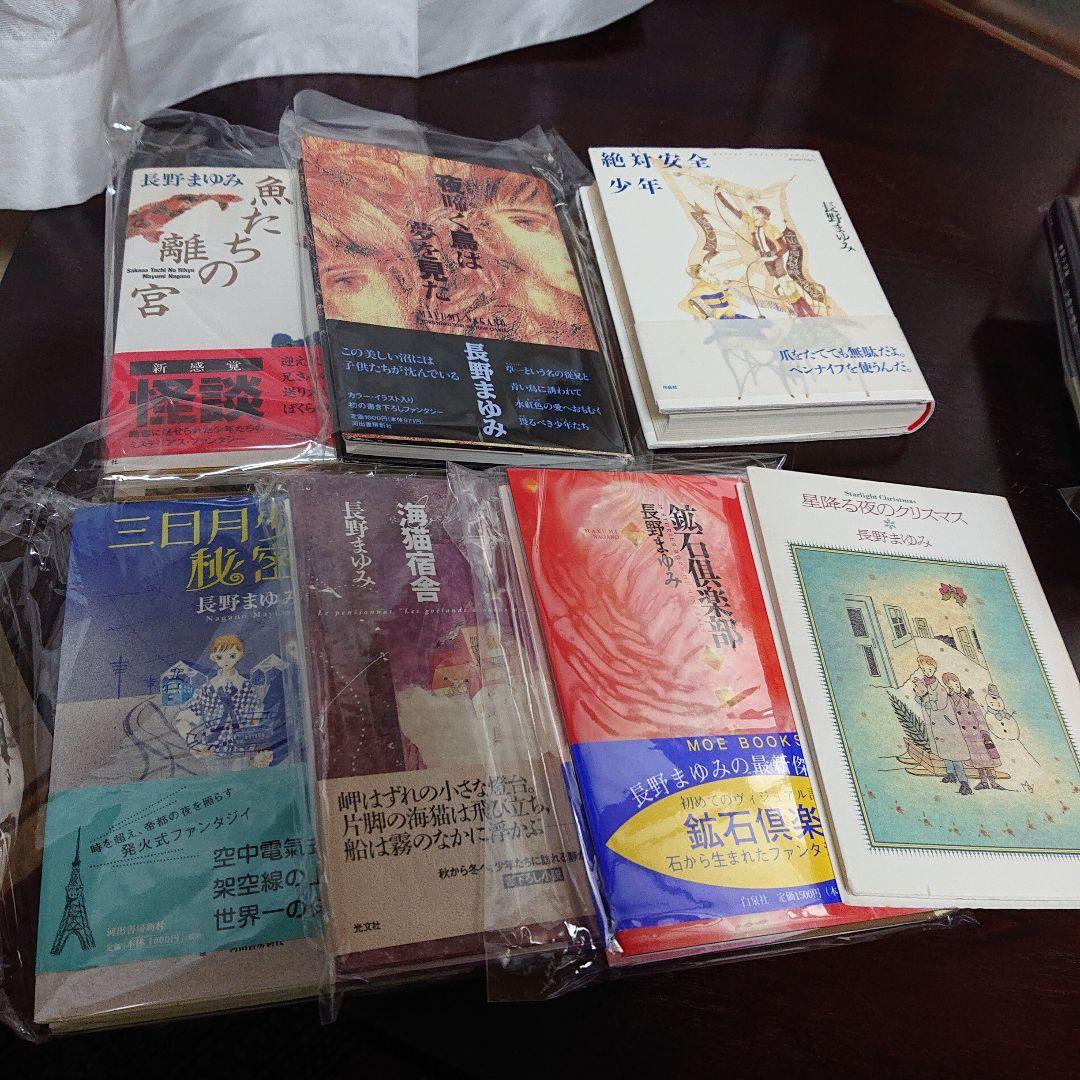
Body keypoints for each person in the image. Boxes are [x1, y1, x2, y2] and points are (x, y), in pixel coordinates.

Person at [176, 633, 265, 763]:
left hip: (242, 750)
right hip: (212, 751)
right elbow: (186, 717)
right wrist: (194, 744)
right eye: (220, 657)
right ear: (213, 657)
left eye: (232, 656)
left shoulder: (247, 687)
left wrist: (257, 748)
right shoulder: (207, 689)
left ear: (240, 655)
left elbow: (256, 719)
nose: (226, 661)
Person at [911, 655, 971, 794]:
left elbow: (941, 703)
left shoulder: (940, 688)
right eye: (924, 669)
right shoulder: (922, 684)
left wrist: (926, 701)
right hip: (935, 725)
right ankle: (951, 774)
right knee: (944, 750)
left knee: (955, 752)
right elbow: (918, 699)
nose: (927, 672)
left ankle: (964, 782)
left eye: (930, 669)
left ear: (934, 669)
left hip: (946, 724)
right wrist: (919, 693)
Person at [942, 672, 1002, 791]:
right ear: (948, 686)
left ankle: (993, 782)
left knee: (987, 758)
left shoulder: (968, 697)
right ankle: (983, 781)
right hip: (966, 736)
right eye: (952, 684)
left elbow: (979, 715)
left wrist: (984, 731)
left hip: (979, 733)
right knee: (977, 760)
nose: (956, 686)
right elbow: (950, 716)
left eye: (957, 683)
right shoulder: (950, 699)